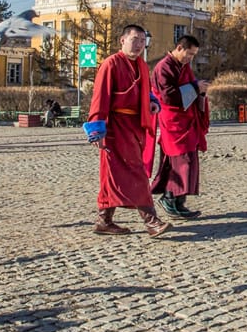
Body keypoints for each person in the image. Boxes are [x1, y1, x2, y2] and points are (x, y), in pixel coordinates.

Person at [84, 24, 171, 238]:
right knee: (136, 172)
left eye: (143, 41)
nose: (139, 45)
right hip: (115, 127)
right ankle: (151, 221)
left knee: (111, 175)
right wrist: (97, 128)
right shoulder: (110, 64)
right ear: (122, 40)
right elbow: (100, 97)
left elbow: (146, 91)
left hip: (134, 126)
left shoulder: (141, 65)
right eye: (135, 39)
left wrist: (151, 102)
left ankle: (104, 220)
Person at [150, 35, 210, 218]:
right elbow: (168, 96)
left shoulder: (183, 67)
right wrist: (195, 87)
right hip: (173, 121)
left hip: (186, 120)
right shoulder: (164, 67)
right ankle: (169, 199)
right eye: (190, 54)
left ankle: (178, 202)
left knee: (188, 160)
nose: (190, 58)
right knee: (182, 161)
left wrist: (200, 91)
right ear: (179, 47)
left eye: (193, 55)